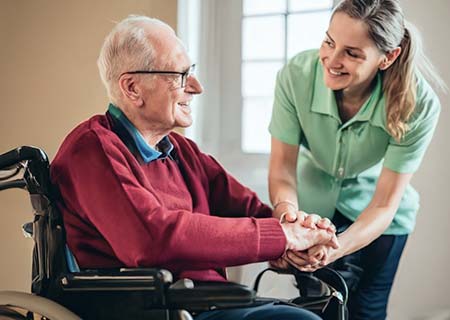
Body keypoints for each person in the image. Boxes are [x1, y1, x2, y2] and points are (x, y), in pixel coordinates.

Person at [50, 15, 338, 320]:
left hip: (207, 302)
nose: (197, 87)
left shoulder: (180, 151)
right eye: (180, 75)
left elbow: (251, 210)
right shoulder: (92, 149)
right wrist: (282, 236)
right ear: (133, 87)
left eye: (193, 72)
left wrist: (299, 238)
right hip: (155, 309)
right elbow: (154, 239)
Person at [268, 0, 445, 319]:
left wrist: (334, 247)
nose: (331, 60)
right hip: (312, 209)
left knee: (368, 311)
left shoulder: (419, 103)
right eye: (329, 42)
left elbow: (384, 204)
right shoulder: (296, 75)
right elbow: (282, 168)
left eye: (352, 53)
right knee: (315, 310)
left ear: (387, 57)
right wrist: (289, 221)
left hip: (379, 219)